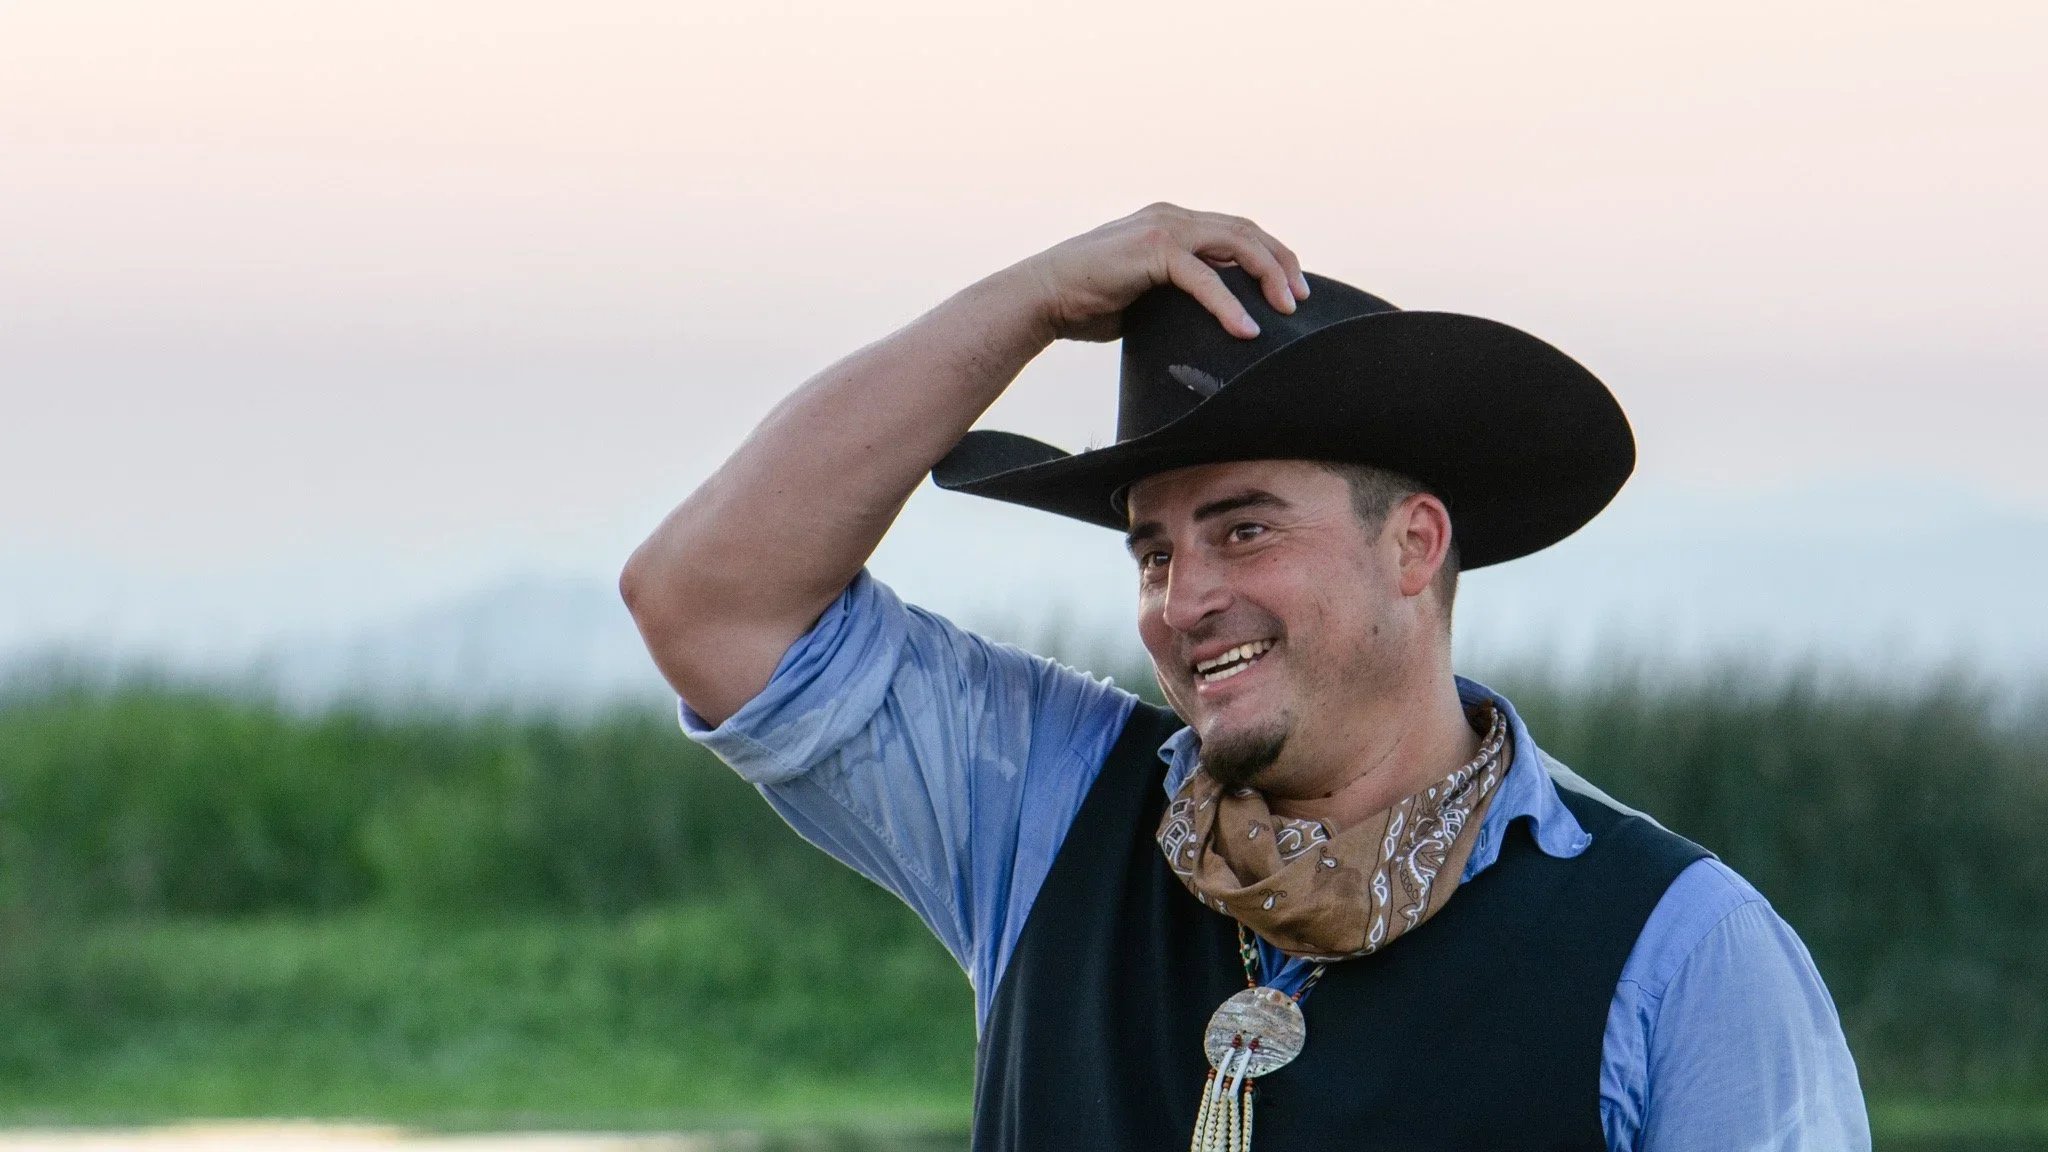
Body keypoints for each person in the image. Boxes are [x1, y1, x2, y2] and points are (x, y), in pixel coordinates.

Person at [620, 204, 1869, 1150]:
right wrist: (1031, 300)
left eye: (1244, 530)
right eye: (1152, 552)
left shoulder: (1681, 950)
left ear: (1412, 547)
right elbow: (704, 598)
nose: (1181, 600)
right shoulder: (1042, 806)